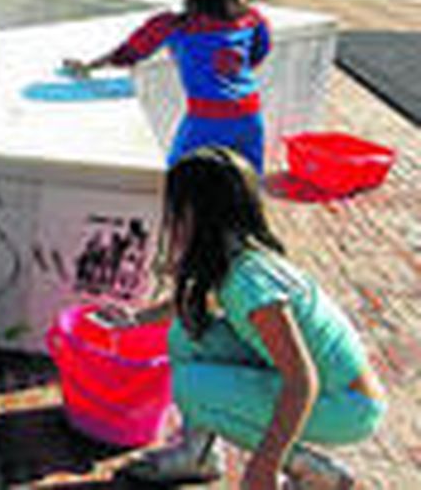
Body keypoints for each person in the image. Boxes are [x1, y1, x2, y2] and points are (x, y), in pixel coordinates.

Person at [102, 147, 384, 488]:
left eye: (178, 212)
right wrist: (137, 318)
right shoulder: (236, 252)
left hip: (345, 405)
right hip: (331, 388)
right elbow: (196, 300)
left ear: (200, 217)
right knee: (186, 335)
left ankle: (311, 471)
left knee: (193, 387)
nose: (172, 223)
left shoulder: (252, 285)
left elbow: (301, 381)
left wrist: (265, 464)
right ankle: (198, 455)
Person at [63, 0, 271, 171]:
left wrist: (90, 65)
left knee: (179, 173)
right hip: (249, 114)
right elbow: (259, 52)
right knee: (249, 178)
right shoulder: (252, 19)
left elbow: (129, 52)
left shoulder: (174, 26)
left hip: (206, 117)